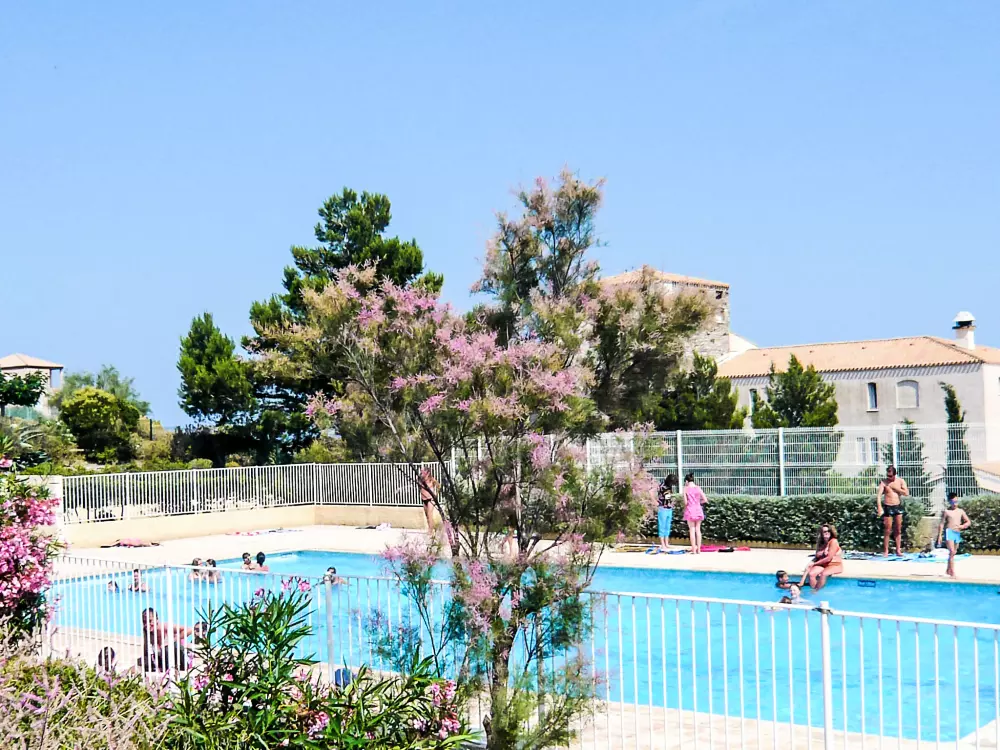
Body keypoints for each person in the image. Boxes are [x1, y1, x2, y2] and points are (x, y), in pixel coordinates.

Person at [877, 465, 910, 557]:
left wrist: (896, 489)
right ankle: (886, 550)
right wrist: (879, 507)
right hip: (888, 506)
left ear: (895, 475)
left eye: (891, 476)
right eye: (888, 476)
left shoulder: (900, 481)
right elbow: (879, 495)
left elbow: (906, 493)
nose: (889, 478)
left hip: (897, 506)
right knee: (887, 530)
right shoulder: (884, 482)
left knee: (898, 529)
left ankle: (898, 550)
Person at [937, 492, 972, 578]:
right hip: (949, 532)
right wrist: (940, 536)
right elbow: (941, 524)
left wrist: (962, 526)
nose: (955, 504)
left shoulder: (960, 511)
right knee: (952, 551)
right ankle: (952, 573)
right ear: (949, 502)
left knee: (953, 553)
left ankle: (948, 570)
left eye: (956, 502)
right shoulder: (947, 512)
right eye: (953, 502)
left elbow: (968, 522)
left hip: (957, 532)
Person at [799, 524, 843, 591]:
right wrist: (811, 564)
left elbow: (829, 558)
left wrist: (815, 564)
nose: (827, 533)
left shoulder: (833, 541)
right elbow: (817, 556)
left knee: (823, 574)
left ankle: (816, 591)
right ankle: (814, 592)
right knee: (811, 574)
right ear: (821, 533)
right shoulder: (820, 542)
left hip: (834, 564)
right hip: (823, 564)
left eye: (828, 531)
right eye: (824, 531)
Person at [682, 473, 707, 554]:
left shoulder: (685, 489)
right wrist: (698, 502)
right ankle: (699, 549)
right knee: (698, 530)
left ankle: (694, 550)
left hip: (690, 510)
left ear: (686, 481)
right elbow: (705, 500)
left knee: (692, 530)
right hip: (698, 509)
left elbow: (685, 502)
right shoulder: (698, 488)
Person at [656, 474, 677, 552]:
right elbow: (651, 492)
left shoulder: (669, 486)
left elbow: (668, 497)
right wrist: (655, 502)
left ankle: (666, 543)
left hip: (669, 508)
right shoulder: (661, 486)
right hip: (662, 508)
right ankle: (662, 544)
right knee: (662, 526)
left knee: (667, 526)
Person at [419, 468, 440, 533]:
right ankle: (431, 528)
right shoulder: (421, 480)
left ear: (428, 473)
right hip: (424, 499)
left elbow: (438, 486)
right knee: (427, 515)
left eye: (424, 472)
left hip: (431, 499)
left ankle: (430, 531)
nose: (422, 474)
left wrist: (436, 494)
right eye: (422, 473)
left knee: (429, 514)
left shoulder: (432, 479)